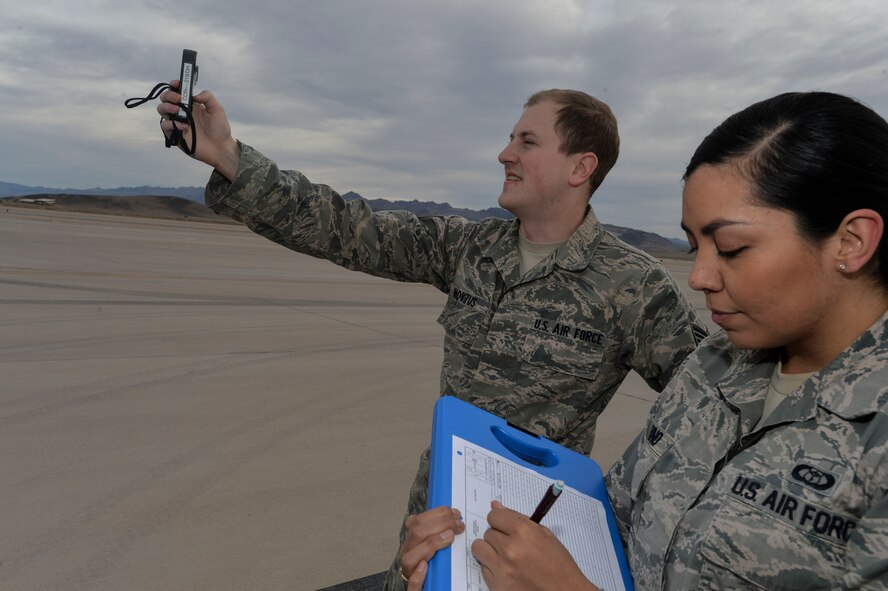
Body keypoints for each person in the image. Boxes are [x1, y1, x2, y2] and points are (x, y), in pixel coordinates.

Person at [155, 86, 706, 588]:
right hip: (433, 524)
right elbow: (343, 226)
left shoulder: (634, 286)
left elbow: (712, 403)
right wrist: (227, 154)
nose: (504, 153)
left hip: (528, 551)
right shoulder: (469, 247)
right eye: (510, 138)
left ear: (580, 166)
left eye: (527, 141)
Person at [398, 90, 888, 590]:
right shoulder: (712, 369)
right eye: (695, 246)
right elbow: (610, 531)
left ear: (850, 241)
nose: (698, 277)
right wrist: (468, 564)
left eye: (731, 248)